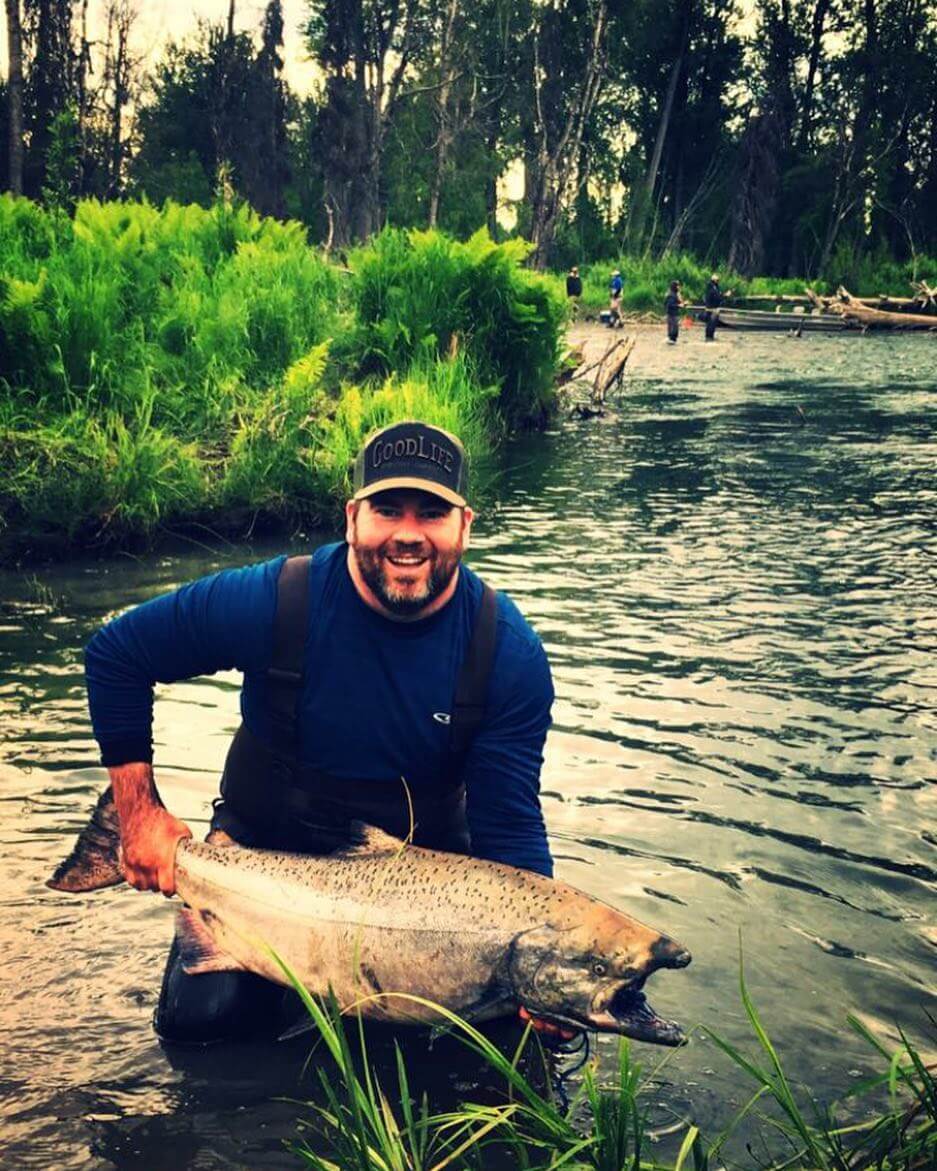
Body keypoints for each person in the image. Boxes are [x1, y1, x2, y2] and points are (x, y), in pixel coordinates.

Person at [84, 420, 560, 1044]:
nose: (409, 535)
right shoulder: (277, 599)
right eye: (387, 509)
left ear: (464, 526)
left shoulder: (506, 654)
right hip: (258, 864)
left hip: (423, 895)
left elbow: (510, 828)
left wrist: (549, 960)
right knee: (203, 1024)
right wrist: (138, 814)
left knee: (503, 1045)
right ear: (352, 518)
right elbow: (118, 653)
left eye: (433, 512)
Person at [704, 273, 729, 340]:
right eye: (717, 280)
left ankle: (709, 337)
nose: (718, 281)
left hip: (712, 309)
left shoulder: (714, 287)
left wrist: (724, 295)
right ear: (714, 280)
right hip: (712, 310)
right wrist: (725, 295)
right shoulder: (712, 288)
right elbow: (717, 298)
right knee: (711, 325)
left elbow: (718, 296)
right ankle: (709, 338)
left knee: (712, 325)